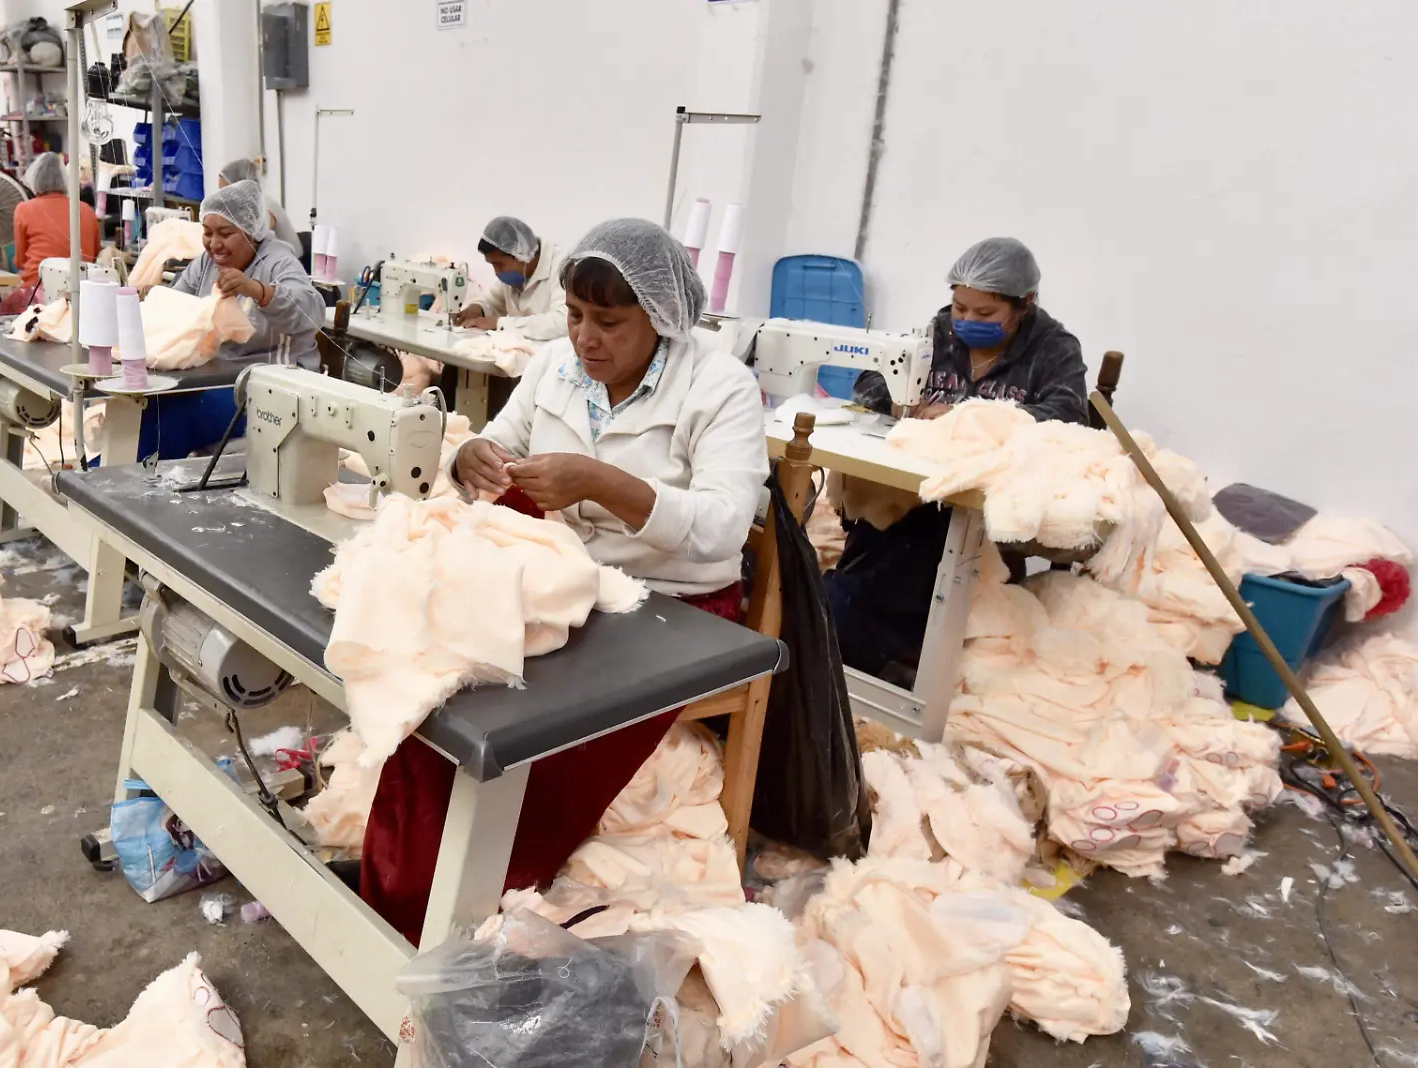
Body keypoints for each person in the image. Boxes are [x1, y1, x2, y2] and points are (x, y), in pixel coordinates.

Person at [359, 217, 770, 943]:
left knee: (534, 742)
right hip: (566, 580)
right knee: (442, 702)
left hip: (672, 606)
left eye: (608, 323)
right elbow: (501, 442)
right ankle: (401, 886)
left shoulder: (720, 386)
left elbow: (723, 527)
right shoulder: (557, 365)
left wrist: (604, 483)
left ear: (661, 317)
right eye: (576, 315)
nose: (585, 338)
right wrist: (471, 459)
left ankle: (468, 896)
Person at [827, 236, 1089, 682]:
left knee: (917, 541)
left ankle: (878, 638)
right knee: (881, 534)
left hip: (982, 503)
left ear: (1025, 303)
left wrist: (965, 416)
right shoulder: (938, 334)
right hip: (915, 490)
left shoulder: (1053, 348)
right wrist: (900, 403)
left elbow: (1068, 416)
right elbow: (871, 383)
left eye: (985, 313)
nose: (966, 320)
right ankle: (860, 633)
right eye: (960, 307)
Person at [136, 179, 323, 462]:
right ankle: (107, 478)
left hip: (272, 391)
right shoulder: (207, 263)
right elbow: (176, 306)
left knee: (172, 417)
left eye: (225, 233)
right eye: (207, 232)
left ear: (251, 232)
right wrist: (152, 297)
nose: (214, 243)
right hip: (217, 381)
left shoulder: (279, 262)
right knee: (148, 404)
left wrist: (259, 291)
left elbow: (312, 310)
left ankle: (131, 480)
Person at [1, 152, 101, 314]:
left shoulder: (24, 209)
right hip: (81, 294)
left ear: (34, 180)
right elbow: (93, 255)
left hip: (38, 293)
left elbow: (20, 262)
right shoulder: (86, 210)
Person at [452, 215, 567, 340]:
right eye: (492, 264)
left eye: (499, 264)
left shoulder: (564, 267)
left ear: (521, 255)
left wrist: (499, 323)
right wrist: (478, 308)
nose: (497, 272)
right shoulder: (514, 274)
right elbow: (492, 301)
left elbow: (562, 322)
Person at [218, 158, 300, 260]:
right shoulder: (243, 209)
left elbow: (258, 235)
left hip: (292, 263)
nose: (223, 197)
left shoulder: (266, 204)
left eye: (226, 191)